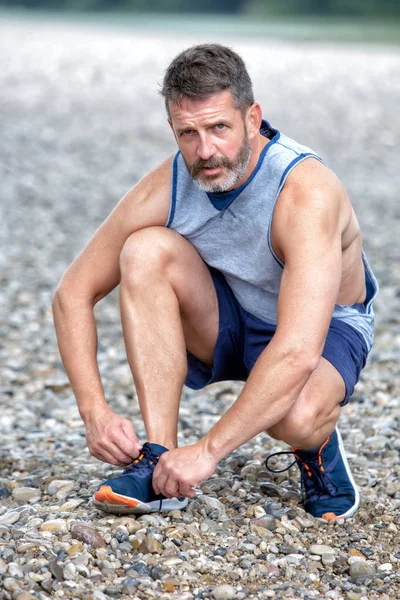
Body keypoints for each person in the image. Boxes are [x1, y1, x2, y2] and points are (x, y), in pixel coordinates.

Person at [53, 43, 378, 520]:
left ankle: (318, 445)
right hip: (230, 317)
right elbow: (72, 294)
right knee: (143, 251)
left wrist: (207, 452)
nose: (205, 151)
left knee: (296, 417)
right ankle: (157, 459)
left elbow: (297, 350)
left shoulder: (305, 193)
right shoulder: (167, 185)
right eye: (188, 133)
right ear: (172, 129)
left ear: (252, 118)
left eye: (219, 128)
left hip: (322, 329)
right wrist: (94, 411)